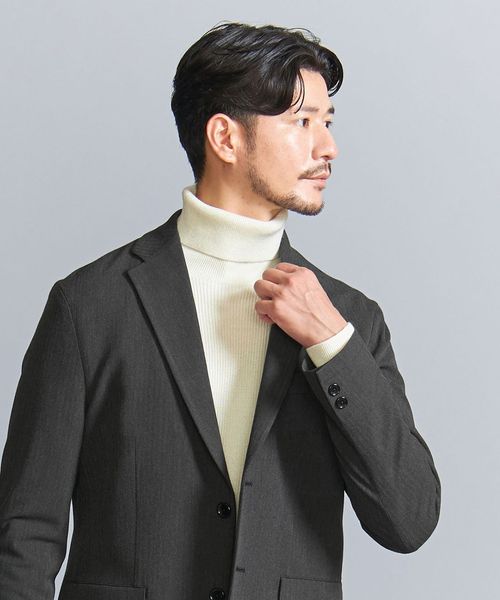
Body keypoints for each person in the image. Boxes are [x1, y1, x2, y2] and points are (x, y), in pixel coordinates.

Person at [0, 21, 441, 600]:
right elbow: (24, 536)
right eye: (302, 122)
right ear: (226, 138)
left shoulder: (350, 319)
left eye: (328, 123)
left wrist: (332, 345)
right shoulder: (90, 305)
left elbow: (409, 521)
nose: (327, 147)